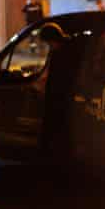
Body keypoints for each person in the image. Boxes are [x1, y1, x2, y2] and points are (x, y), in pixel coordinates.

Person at [38, 22, 87, 159]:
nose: (49, 47)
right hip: (60, 98)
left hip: (62, 99)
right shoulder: (63, 50)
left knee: (61, 132)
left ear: (53, 39)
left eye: (48, 43)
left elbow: (61, 79)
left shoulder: (67, 53)